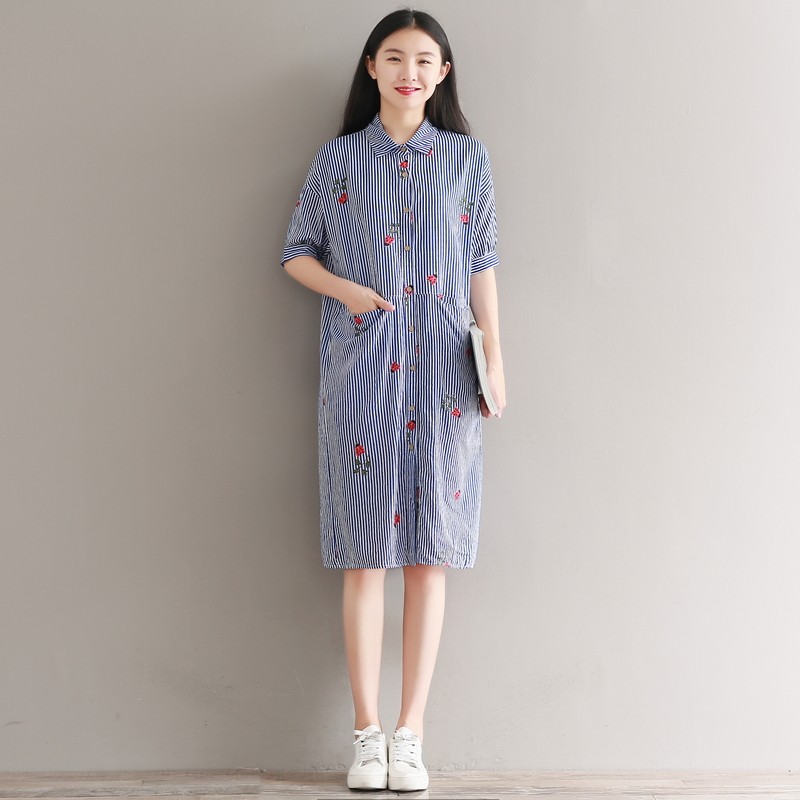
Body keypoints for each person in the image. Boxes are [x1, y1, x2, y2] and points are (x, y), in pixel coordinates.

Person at [281, 8, 505, 792]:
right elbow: (294, 252)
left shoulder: (467, 159)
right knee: (364, 554)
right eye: (396, 57)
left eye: (425, 60)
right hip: (365, 376)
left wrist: (495, 357)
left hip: (445, 378)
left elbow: (482, 262)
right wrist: (347, 292)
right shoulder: (339, 159)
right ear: (372, 66)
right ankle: (366, 735)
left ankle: (411, 734)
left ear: (443, 73)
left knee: (430, 556)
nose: (411, 72)